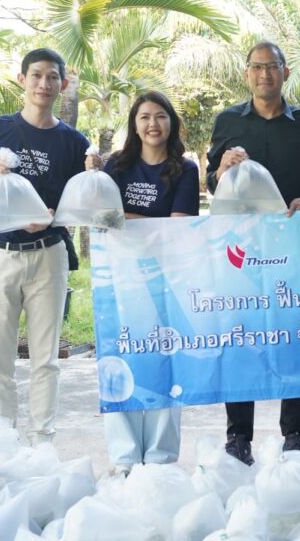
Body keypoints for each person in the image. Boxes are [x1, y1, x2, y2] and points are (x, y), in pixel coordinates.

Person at [0, 48, 91, 444]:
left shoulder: (74, 142)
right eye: (36, 75)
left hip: (48, 254)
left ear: (63, 84)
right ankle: (1, 442)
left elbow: (76, 205)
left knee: (45, 359)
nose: (43, 84)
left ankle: (42, 442)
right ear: (22, 79)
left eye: (52, 77)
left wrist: (53, 217)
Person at [205, 40, 300, 464]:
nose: (264, 74)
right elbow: (212, 184)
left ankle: (296, 435)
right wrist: (222, 169)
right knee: (241, 333)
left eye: (272, 67)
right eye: (257, 67)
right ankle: (239, 436)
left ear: (285, 72)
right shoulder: (227, 121)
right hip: (241, 248)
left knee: (294, 332)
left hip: (290, 244)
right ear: (246, 73)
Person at [97, 91, 200, 475]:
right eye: (144, 117)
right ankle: (124, 456)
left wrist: (126, 217)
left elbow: (177, 227)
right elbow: (101, 215)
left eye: (160, 116)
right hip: (117, 276)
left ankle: (160, 456)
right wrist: (142, 222)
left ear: (171, 122)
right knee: (120, 357)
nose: (152, 124)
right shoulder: (116, 166)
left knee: (163, 359)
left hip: (165, 279)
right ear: (134, 124)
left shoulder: (185, 169)